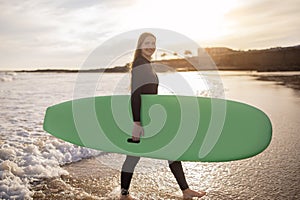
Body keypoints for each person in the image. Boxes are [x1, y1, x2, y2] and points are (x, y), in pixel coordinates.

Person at [120, 32, 206, 200]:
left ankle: (125, 194)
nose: (151, 46)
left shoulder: (145, 64)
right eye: (147, 43)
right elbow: (135, 94)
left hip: (151, 116)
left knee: (139, 154)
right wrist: (137, 122)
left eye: (153, 43)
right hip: (146, 118)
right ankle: (124, 194)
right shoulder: (140, 64)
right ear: (140, 45)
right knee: (142, 154)